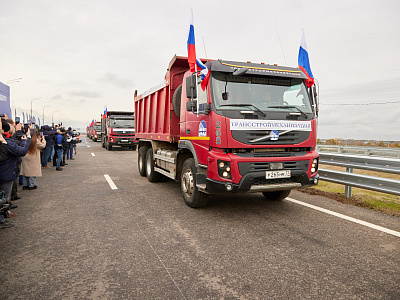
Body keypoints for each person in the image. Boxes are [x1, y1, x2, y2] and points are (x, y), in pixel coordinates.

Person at [0, 118, 31, 227]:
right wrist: (26, 139)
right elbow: (21, 151)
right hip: (6, 173)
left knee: (3, 197)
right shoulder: (6, 143)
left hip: (5, 172)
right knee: (4, 197)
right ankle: (2, 219)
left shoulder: (6, 142)